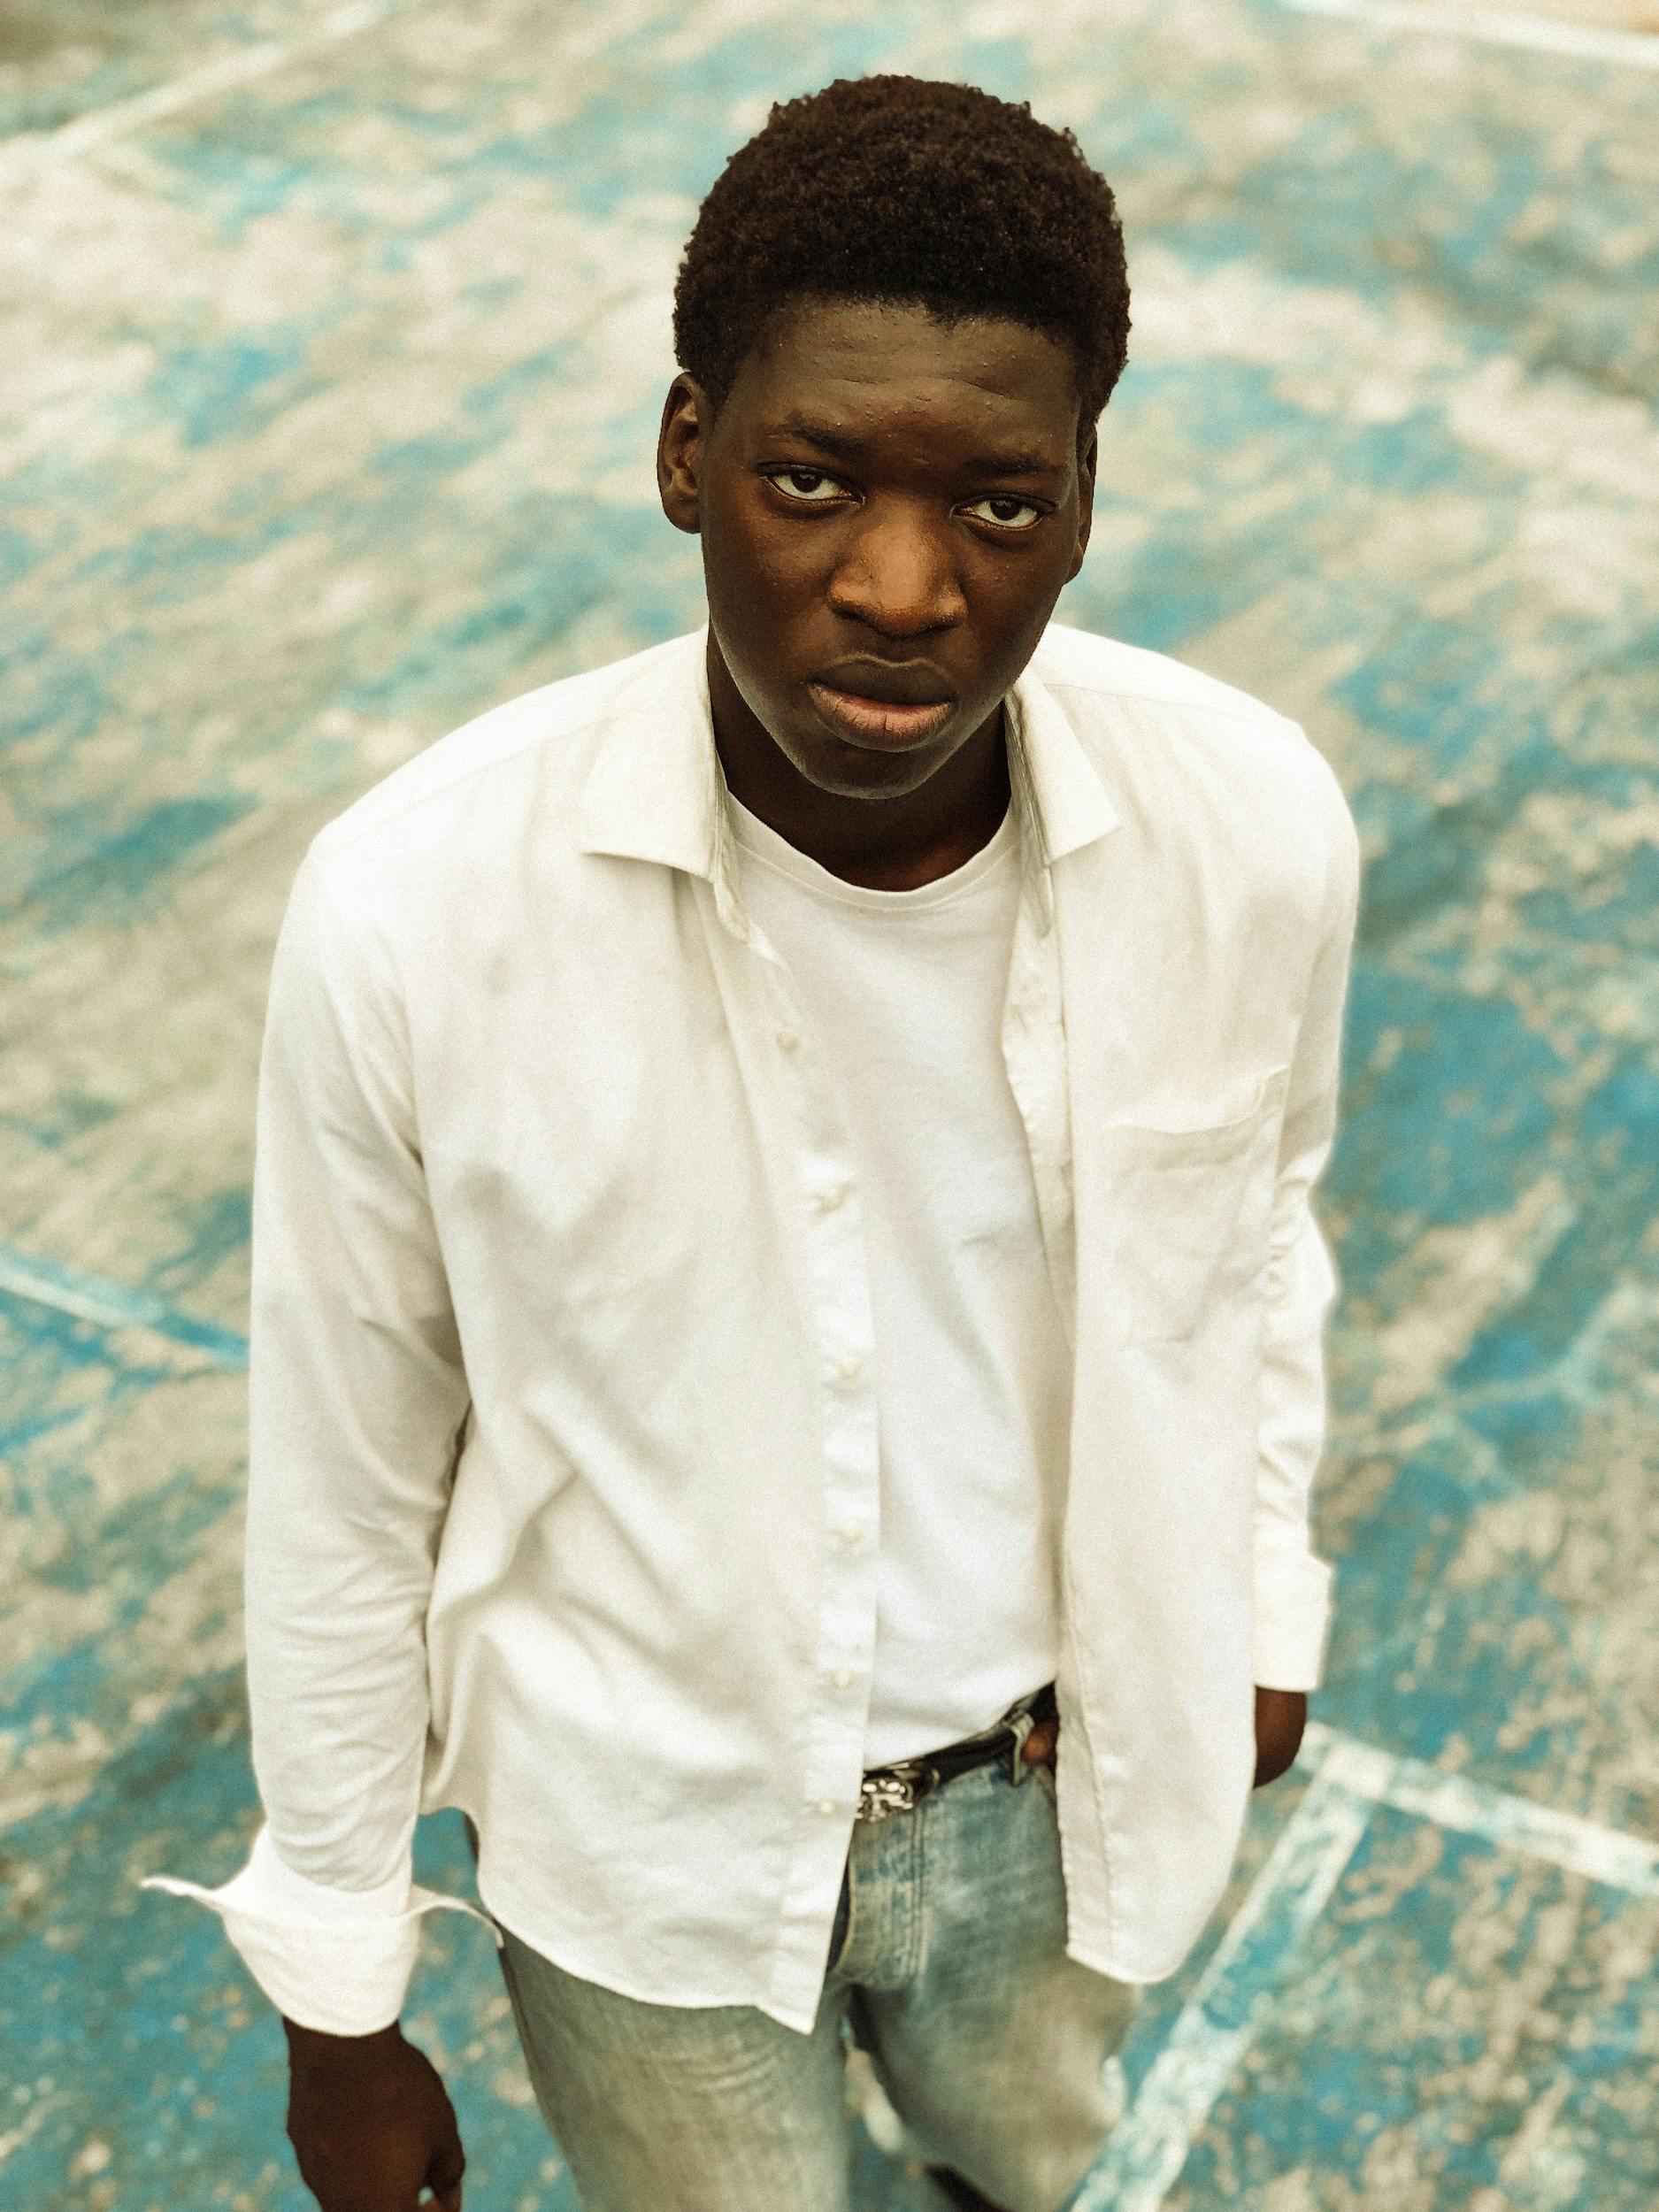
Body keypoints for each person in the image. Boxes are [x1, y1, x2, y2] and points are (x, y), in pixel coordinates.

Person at [141, 72, 1362, 2212]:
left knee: (1019, 2175)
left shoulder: (1246, 828)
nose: (900, 587)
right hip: (642, 1841)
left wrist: (1255, 1596)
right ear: (686, 452)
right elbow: (345, 1478)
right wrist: (339, 1996)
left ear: (1081, 498)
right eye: (811, 478)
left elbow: (1259, 1224)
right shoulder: (419, 909)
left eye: (997, 504)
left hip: (1060, 1792)